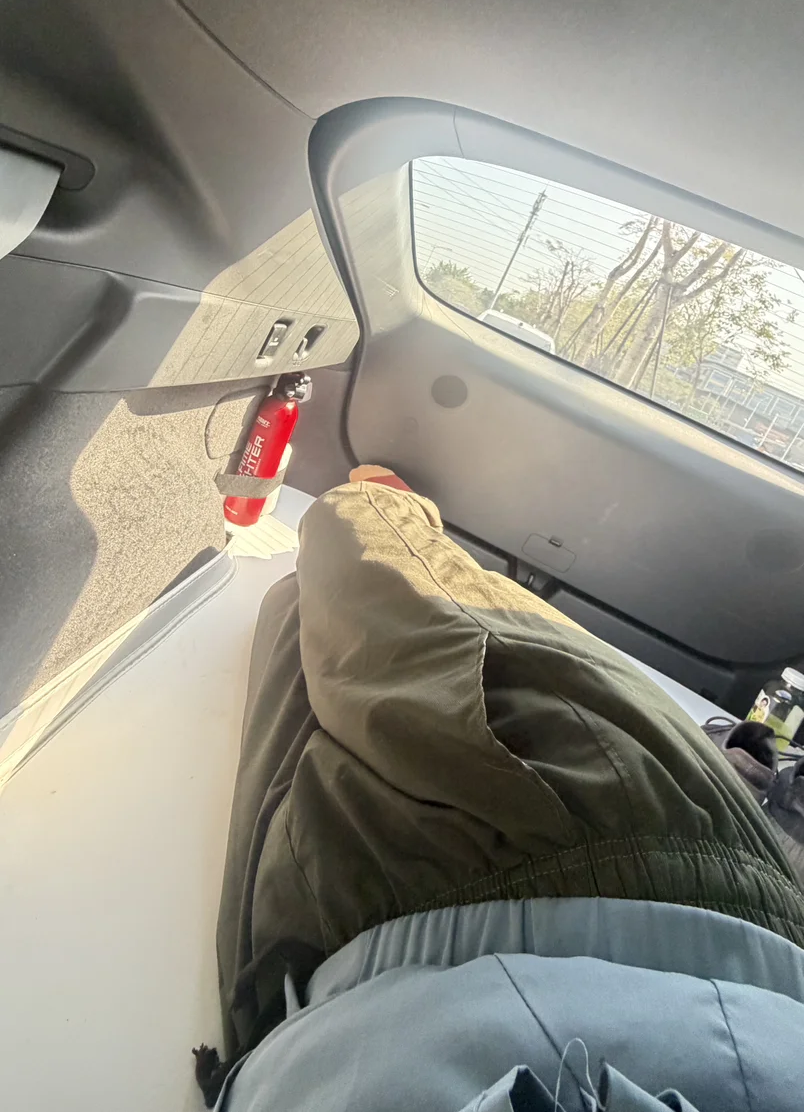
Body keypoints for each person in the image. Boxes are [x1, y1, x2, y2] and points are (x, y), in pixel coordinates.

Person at [195, 468, 804, 1109]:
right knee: (357, 547)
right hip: (627, 882)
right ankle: (388, 510)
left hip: (314, 1029)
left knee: (311, 606)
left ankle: (385, 513)